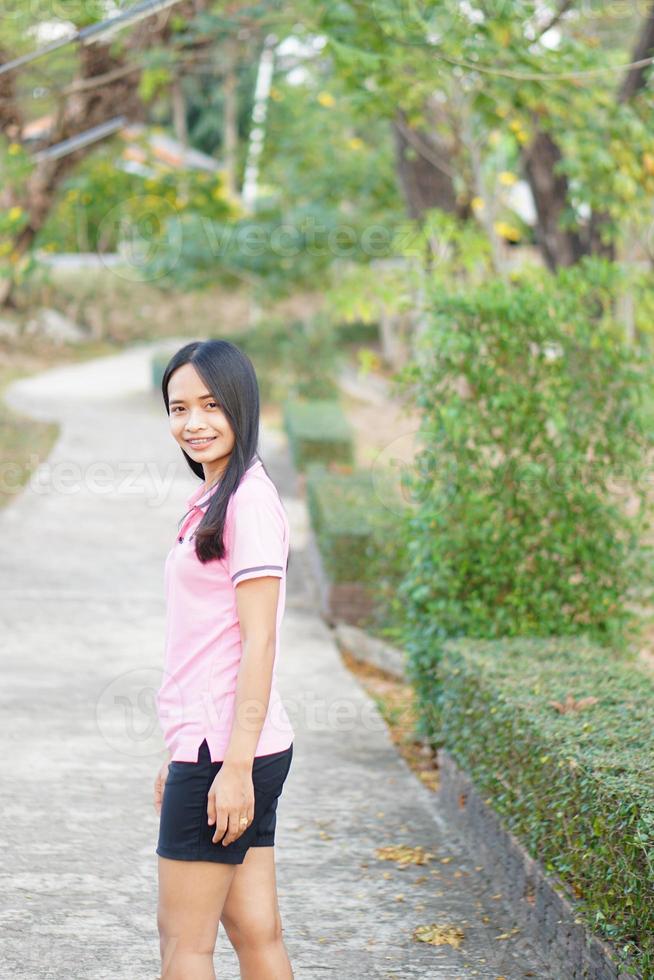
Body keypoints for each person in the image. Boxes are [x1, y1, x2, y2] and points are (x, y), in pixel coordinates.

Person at [152, 339, 296, 980]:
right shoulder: (218, 497)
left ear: (241, 404)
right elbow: (205, 641)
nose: (194, 423)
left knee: (184, 943)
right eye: (179, 408)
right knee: (253, 929)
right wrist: (179, 746)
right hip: (221, 743)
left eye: (211, 405)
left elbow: (258, 640)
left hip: (228, 751)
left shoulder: (248, 503)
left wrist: (231, 766)